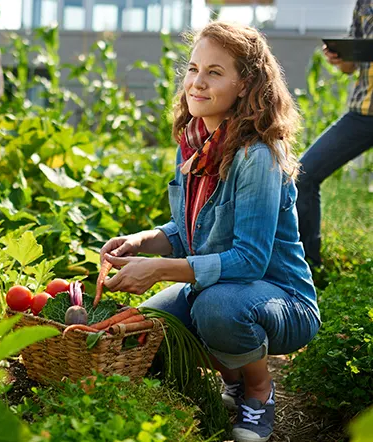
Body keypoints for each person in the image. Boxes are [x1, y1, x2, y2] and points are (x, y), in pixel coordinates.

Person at [100, 22, 321, 442]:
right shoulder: (198, 143)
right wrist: (143, 242)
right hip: (222, 288)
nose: (197, 83)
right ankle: (233, 374)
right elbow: (190, 230)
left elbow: (250, 260)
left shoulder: (257, 155)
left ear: (245, 84)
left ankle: (258, 391)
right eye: (193, 68)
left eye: (215, 72)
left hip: (281, 298)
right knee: (151, 327)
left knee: (215, 308)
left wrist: (160, 270)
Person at [296, 0, 373, 271]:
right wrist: (341, 58)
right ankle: (308, 266)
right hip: (364, 111)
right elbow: (351, 68)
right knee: (304, 173)